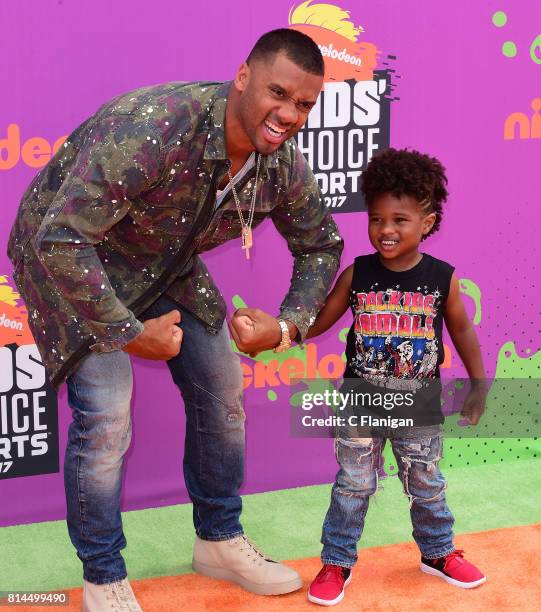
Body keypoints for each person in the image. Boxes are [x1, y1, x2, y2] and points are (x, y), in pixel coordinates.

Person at [7, 29, 343, 611]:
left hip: (160, 259)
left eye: (305, 105)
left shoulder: (278, 161)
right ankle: (103, 574)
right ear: (243, 77)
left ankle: (218, 540)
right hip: (67, 258)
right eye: (278, 94)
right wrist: (131, 335)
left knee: (222, 389)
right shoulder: (155, 125)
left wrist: (288, 327)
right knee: (108, 416)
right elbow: (60, 237)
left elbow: (320, 244)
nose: (289, 115)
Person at [303, 148, 487, 606]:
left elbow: (462, 329)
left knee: (425, 480)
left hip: (418, 403)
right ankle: (337, 560)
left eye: (400, 219)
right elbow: (320, 320)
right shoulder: (358, 273)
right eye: (376, 219)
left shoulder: (441, 277)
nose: (386, 230)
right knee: (354, 484)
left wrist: (480, 384)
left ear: (427, 222)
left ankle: (439, 553)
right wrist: (279, 328)